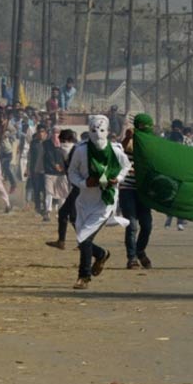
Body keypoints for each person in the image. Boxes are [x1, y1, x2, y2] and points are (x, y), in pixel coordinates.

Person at [68, 115, 131, 289]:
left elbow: (126, 166)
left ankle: (84, 276)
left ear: (108, 131)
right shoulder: (81, 151)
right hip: (85, 201)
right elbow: (72, 172)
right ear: (89, 131)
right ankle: (101, 254)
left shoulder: (116, 151)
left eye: (102, 130)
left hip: (105, 201)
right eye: (94, 130)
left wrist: (117, 179)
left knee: (85, 238)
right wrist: (83, 183)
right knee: (82, 239)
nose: (98, 134)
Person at [119, 114, 154, 269]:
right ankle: (132, 258)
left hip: (144, 190)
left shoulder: (153, 144)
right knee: (131, 225)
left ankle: (140, 251)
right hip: (127, 188)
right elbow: (120, 152)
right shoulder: (130, 140)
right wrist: (127, 138)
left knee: (146, 225)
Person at [46, 129, 78, 250]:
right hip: (78, 186)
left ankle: (82, 242)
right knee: (67, 213)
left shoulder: (68, 150)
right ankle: (62, 241)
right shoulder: (75, 149)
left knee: (70, 215)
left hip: (79, 187)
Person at [43, 127, 69, 221]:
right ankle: (47, 212)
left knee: (62, 194)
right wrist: (55, 165)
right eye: (54, 132)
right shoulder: (46, 144)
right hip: (50, 171)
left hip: (62, 173)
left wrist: (64, 167)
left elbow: (66, 156)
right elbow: (49, 156)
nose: (55, 134)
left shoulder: (64, 144)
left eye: (58, 132)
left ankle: (61, 213)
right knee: (49, 192)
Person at [28, 124, 48, 215]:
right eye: (39, 132)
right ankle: (37, 208)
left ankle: (45, 207)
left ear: (46, 133)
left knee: (45, 190)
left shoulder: (48, 143)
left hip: (46, 170)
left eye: (42, 132)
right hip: (35, 170)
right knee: (36, 190)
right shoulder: (33, 143)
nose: (41, 134)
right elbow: (31, 157)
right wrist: (28, 169)